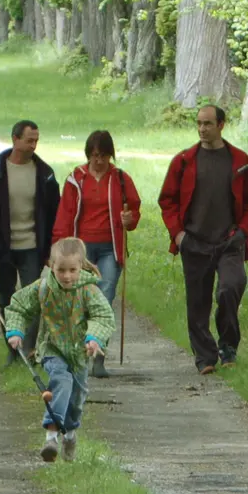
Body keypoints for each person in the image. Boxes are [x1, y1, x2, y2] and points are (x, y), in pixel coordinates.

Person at [158, 105, 248, 375]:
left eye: (207, 123)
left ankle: (228, 347)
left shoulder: (240, 161)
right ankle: (204, 357)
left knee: (230, 288)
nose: (202, 129)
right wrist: (178, 235)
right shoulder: (184, 161)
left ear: (221, 125)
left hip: (230, 242)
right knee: (197, 303)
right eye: (199, 123)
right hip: (194, 242)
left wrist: (242, 233)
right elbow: (167, 200)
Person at [4, 237, 115, 462]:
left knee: (76, 399)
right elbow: (18, 306)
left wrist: (94, 338)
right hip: (52, 348)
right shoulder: (43, 288)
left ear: (81, 266)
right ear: (51, 266)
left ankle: (70, 435)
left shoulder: (88, 290)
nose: (67, 276)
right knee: (61, 382)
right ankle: (51, 437)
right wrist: (15, 331)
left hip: (80, 353)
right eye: (61, 270)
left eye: (72, 270)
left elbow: (103, 316)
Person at [0, 119, 61, 356]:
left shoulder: (45, 174)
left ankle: (29, 350)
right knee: (7, 300)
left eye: (36, 141)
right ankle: (13, 351)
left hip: (33, 248)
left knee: (33, 299)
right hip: (3, 249)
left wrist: (52, 248)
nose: (34, 145)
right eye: (29, 140)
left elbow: (56, 213)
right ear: (15, 139)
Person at [51, 130, 141, 377]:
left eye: (103, 155)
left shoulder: (120, 179)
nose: (99, 160)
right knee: (79, 301)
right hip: (81, 250)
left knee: (104, 300)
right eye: (94, 155)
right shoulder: (76, 179)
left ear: (110, 155)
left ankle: (98, 357)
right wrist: (59, 248)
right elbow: (65, 215)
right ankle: (77, 355)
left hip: (110, 248)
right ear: (88, 155)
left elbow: (133, 210)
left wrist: (129, 219)